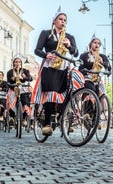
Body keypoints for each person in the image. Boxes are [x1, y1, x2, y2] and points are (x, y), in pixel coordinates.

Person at [31, 7, 84, 136]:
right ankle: (47, 123)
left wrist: (69, 46)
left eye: (65, 20)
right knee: (51, 93)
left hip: (64, 66)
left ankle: (63, 116)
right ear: (54, 21)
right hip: (50, 67)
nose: (63, 21)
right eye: (60, 19)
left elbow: (75, 53)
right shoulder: (46, 33)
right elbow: (37, 50)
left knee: (70, 89)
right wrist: (46, 55)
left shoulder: (69, 36)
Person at [7, 56, 33, 129]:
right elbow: (8, 82)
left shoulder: (25, 70)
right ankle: (12, 117)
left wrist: (23, 78)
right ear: (13, 63)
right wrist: (13, 87)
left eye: (19, 62)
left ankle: (24, 118)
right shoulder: (10, 72)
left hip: (23, 88)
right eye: (16, 62)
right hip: (14, 88)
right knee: (11, 100)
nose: (17, 63)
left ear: (21, 63)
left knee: (25, 101)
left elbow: (30, 78)